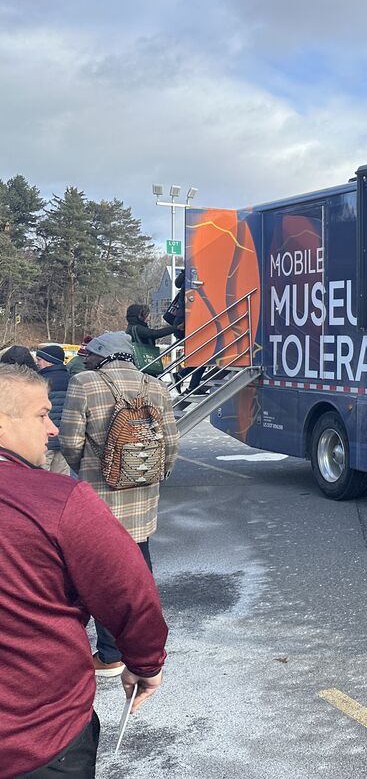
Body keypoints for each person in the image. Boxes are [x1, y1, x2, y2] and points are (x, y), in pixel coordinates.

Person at [0, 364, 167, 778]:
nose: (51, 428)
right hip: (39, 737)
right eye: (41, 414)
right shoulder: (54, 501)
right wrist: (145, 662)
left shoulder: (86, 385)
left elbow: (73, 441)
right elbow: (130, 593)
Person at [57, 332, 178, 679]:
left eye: (91, 355)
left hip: (101, 495)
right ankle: (145, 645)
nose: (86, 360)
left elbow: (70, 441)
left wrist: (88, 470)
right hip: (143, 495)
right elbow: (171, 442)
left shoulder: (85, 383)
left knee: (102, 575)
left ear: (103, 357)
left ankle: (112, 655)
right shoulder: (155, 386)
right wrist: (151, 473)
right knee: (140, 571)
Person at [33, 344, 72, 475]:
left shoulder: (40, 382)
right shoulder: (72, 380)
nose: (37, 363)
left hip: (45, 440)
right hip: (65, 440)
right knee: (61, 479)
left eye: (39, 360)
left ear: (49, 361)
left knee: (41, 478)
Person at [126, 303, 175, 375]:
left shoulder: (131, 327)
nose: (148, 318)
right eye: (145, 315)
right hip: (144, 362)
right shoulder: (138, 328)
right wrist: (175, 328)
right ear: (139, 316)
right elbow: (154, 333)